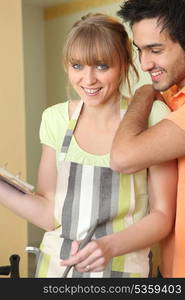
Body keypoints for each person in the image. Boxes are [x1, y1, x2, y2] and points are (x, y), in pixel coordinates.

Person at [0, 13, 177, 278]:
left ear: (125, 64)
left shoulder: (152, 116)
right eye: (77, 66)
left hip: (123, 272)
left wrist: (108, 246)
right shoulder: (56, 119)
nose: (88, 79)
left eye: (102, 66)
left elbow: (163, 216)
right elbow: (50, 214)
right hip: (56, 273)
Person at [111, 0, 185, 278]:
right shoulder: (171, 100)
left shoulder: (155, 98)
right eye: (140, 50)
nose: (145, 63)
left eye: (156, 50)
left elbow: (123, 157)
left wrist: (143, 94)